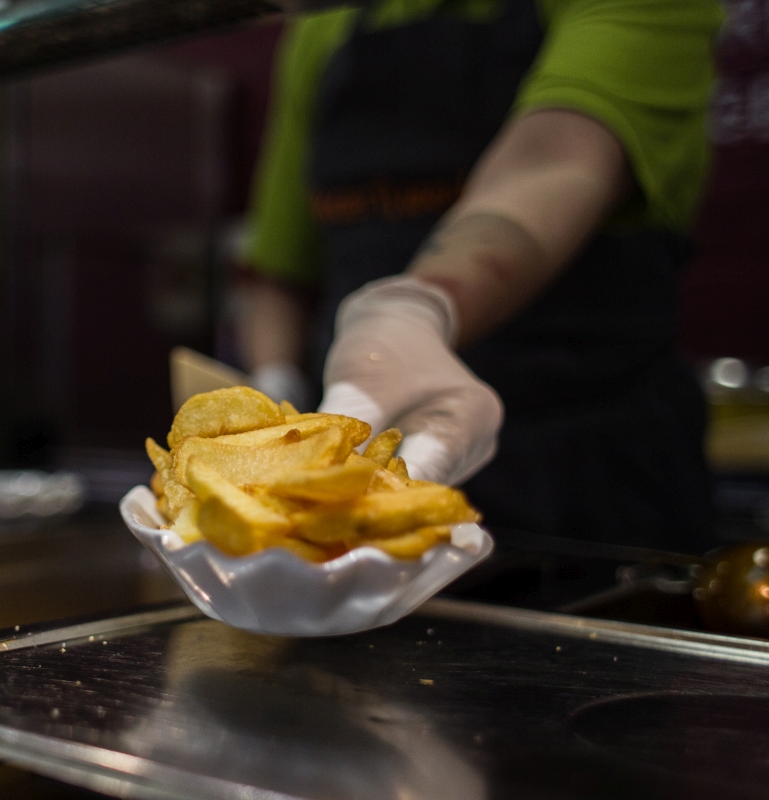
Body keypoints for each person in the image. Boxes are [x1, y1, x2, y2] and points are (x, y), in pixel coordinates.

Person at [237, 0, 723, 552]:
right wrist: (274, 386)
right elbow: (279, 271)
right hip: (359, 491)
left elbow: (553, 166)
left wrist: (419, 307)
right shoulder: (323, 19)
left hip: (592, 482)